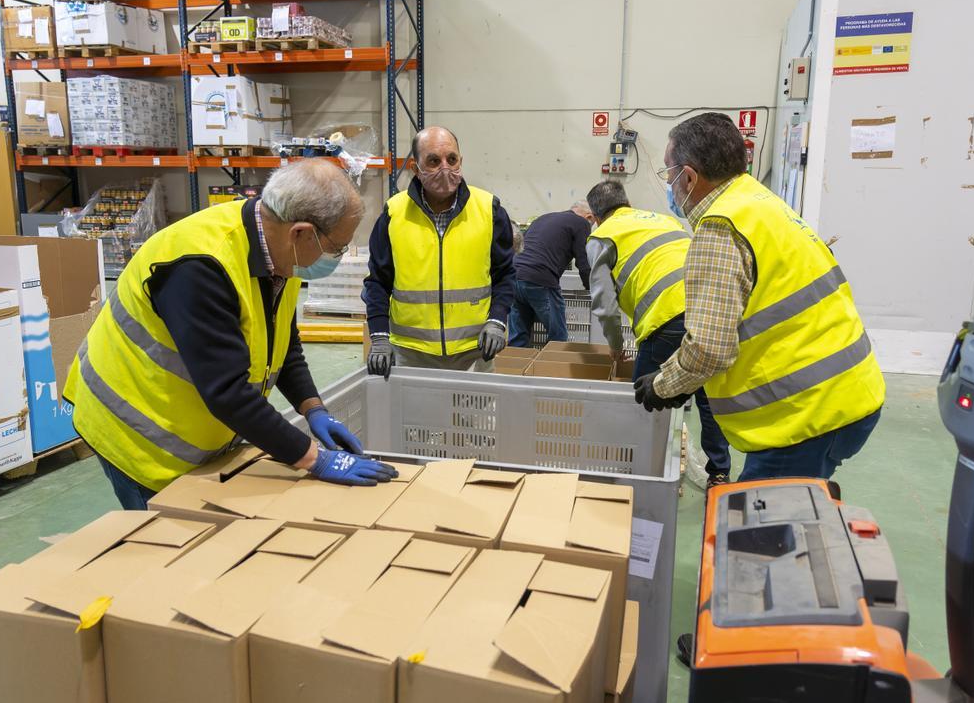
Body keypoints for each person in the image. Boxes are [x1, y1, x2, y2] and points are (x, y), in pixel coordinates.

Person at [64, 161, 398, 510]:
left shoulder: (281, 248)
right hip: (137, 433)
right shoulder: (201, 267)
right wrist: (315, 459)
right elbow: (228, 392)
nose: (338, 257)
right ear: (301, 232)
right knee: (169, 542)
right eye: (338, 247)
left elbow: (282, 339)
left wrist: (313, 408)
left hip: (196, 424)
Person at [640, 112, 885, 481]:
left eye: (668, 173)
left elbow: (710, 348)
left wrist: (664, 385)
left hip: (806, 416)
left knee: (756, 534)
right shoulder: (760, 202)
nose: (669, 185)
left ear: (688, 177)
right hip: (848, 392)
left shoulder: (720, 228)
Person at [586, 180, 733, 485]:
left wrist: (615, 344)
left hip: (666, 320)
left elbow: (604, 303)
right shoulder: (663, 218)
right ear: (626, 203)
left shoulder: (602, 236)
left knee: (644, 397)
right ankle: (719, 472)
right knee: (709, 396)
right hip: (707, 308)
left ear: (597, 216)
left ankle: (636, 471)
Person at [363, 126, 516, 376]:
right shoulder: (394, 214)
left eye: (452, 159)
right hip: (411, 355)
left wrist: (497, 320)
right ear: (416, 168)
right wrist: (379, 336)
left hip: (474, 353)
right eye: (433, 161)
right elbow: (377, 282)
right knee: (415, 417)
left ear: (461, 161)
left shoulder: (489, 210)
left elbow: (505, 275)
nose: (445, 168)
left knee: (474, 416)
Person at [507, 201, 595, 347]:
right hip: (540, 279)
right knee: (558, 338)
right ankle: (552, 369)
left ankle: (516, 368)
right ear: (589, 217)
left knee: (518, 338)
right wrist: (592, 289)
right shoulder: (582, 223)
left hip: (515, 276)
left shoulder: (543, 218)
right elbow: (583, 263)